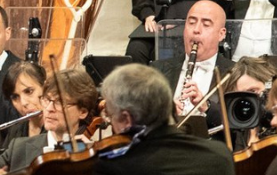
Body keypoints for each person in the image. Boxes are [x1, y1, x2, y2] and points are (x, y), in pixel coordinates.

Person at [90, 64, 234, 175]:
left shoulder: (114, 167)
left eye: (110, 115)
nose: (110, 122)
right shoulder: (220, 155)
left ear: (126, 119)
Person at [0, 67, 101, 175]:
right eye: (47, 100)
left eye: (59, 102)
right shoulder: (18, 147)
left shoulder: (91, 156)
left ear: (82, 112)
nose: (49, 108)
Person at [151, 0, 230, 129]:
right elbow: (142, 117)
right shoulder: (158, 70)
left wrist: (207, 106)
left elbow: (238, 125)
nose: (196, 30)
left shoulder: (235, 72)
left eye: (206, 24)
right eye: (191, 23)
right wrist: (164, 113)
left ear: (221, 34)